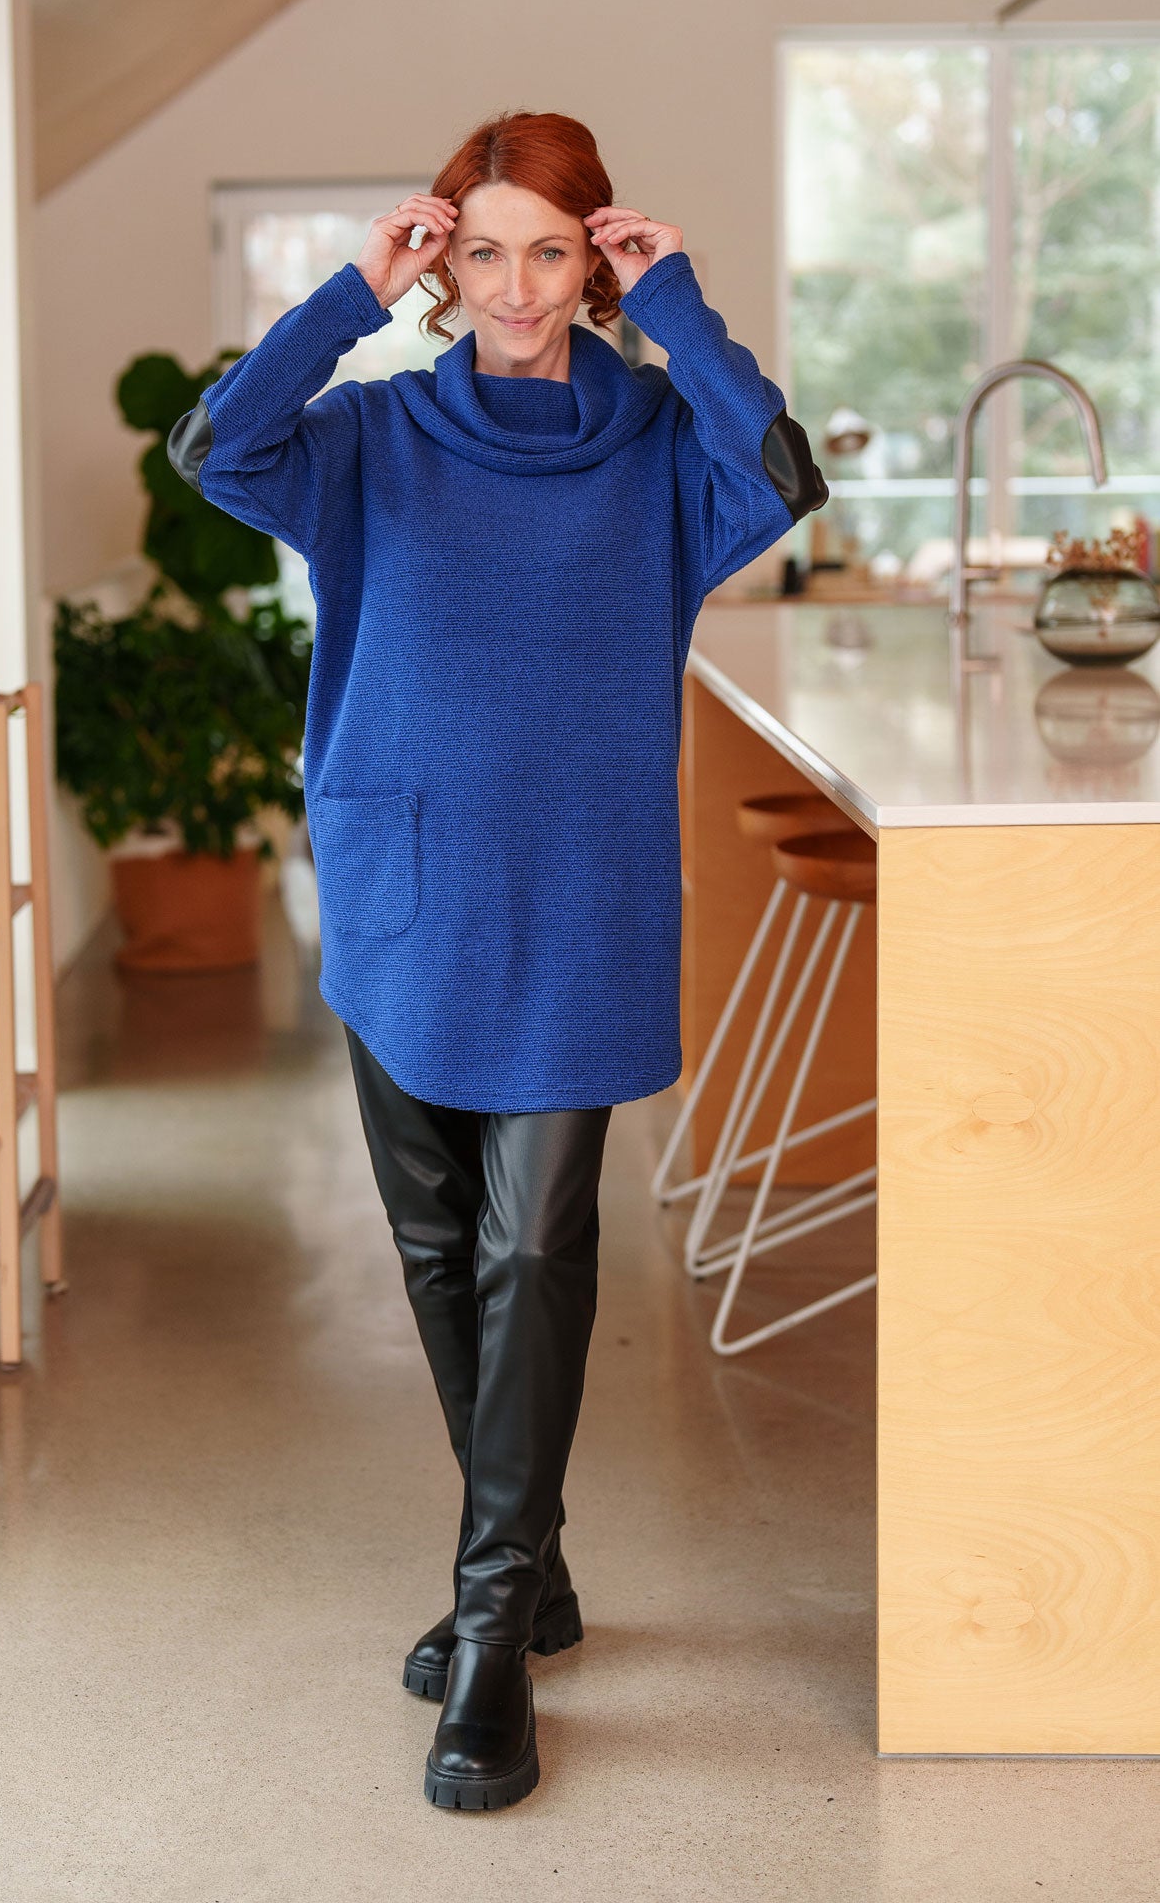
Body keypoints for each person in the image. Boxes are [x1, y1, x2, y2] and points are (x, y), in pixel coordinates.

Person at [168, 109, 827, 1811]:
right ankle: (528, 1566)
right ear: (441, 267)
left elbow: (784, 466)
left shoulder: (662, 443)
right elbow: (212, 449)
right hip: (403, 879)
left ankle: (482, 1639)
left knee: (537, 1242)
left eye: (553, 250)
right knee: (439, 1246)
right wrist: (342, 299)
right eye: (483, 250)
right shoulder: (374, 435)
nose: (517, 286)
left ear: (590, 263)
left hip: (581, 896)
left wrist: (674, 306)